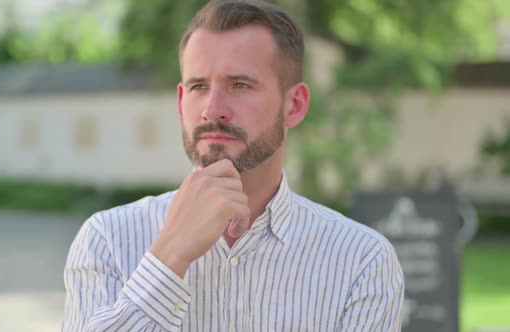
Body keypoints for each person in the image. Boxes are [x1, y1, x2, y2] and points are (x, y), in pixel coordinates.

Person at [61, 0, 404, 331]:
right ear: (182, 104)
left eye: (239, 85)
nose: (213, 109)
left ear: (295, 105)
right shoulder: (106, 240)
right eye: (199, 86)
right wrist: (169, 256)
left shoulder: (362, 261)